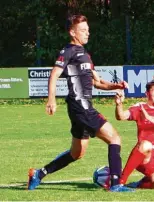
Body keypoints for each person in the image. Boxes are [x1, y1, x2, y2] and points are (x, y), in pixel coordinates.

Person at [27, 14, 133, 192]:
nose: (87, 33)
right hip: (81, 106)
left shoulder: (85, 55)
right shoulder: (67, 51)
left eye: (88, 30)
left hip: (78, 109)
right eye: (83, 30)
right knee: (114, 138)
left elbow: (97, 82)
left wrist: (116, 85)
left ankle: (38, 174)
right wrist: (51, 99)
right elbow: (54, 75)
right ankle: (116, 184)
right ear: (72, 32)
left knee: (77, 153)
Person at [115, 80, 154, 190]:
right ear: (147, 93)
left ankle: (139, 184)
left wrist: (149, 118)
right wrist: (119, 104)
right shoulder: (140, 107)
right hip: (144, 154)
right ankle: (120, 183)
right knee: (146, 144)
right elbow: (121, 116)